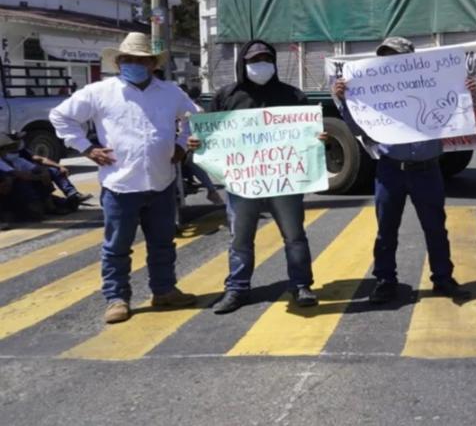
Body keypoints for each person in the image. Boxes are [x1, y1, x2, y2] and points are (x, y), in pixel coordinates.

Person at [50, 32, 199, 324]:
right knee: (117, 247)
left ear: (153, 63)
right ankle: (117, 298)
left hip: (161, 181)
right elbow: (60, 116)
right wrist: (87, 148)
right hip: (120, 185)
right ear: (118, 62)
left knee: (163, 243)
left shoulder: (171, 92)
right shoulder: (98, 92)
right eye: (128, 59)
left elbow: (195, 119)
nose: (134, 64)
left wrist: (182, 146)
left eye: (141, 60)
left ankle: (164, 290)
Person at [332, 36, 471, 304]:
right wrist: (344, 101)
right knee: (386, 229)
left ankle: (443, 278)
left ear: (411, 59)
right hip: (390, 170)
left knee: (435, 228)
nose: (389, 61)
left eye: (395, 56)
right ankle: (385, 281)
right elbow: (360, 129)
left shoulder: (433, 86)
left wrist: (465, 91)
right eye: (385, 57)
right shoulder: (375, 93)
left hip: (427, 170)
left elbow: (455, 113)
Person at [190, 40, 323, 314]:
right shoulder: (226, 96)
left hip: (285, 182)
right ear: (243, 63)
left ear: (273, 62)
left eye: (265, 58)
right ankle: (237, 289)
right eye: (253, 60)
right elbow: (209, 135)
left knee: (294, 236)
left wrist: (318, 136)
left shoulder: (294, 96)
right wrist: (197, 142)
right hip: (242, 181)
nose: (259, 64)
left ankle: (301, 285)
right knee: (240, 239)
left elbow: (308, 137)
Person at [11, 132, 93, 206]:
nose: (21, 141)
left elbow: (40, 159)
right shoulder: (6, 157)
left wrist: (58, 166)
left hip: (31, 172)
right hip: (17, 177)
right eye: (17, 139)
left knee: (54, 171)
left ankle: (72, 194)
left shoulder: (21, 151)